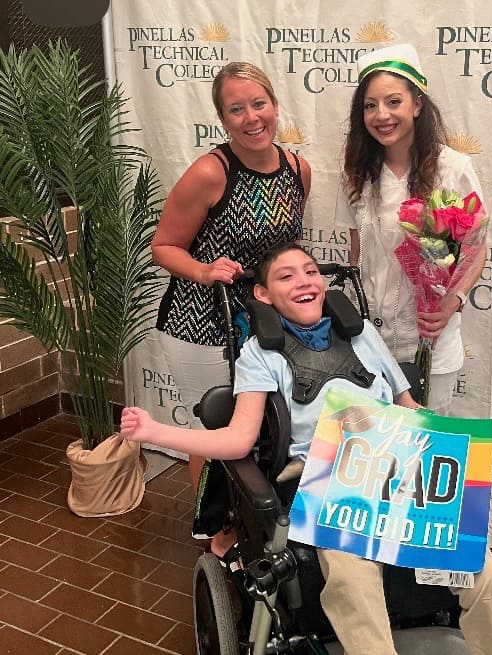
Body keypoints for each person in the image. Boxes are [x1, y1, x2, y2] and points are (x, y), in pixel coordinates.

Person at [122, 243, 492, 655]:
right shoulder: (260, 355)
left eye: (311, 271)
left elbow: (411, 410)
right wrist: (156, 431)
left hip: (396, 471)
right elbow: (237, 439)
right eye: (286, 276)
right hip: (331, 481)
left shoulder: (364, 334)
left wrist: (472, 447)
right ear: (263, 294)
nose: (304, 281)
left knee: (480, 569)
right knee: (352, 578)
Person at [151, 61, 311, 556]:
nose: (251, 117)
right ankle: (214, 531)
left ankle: (251, 521)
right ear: (223, 120)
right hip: (202, 321)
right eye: (236, 109)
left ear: (275, 107)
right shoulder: (209, 172)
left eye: (258, 104)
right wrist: (204, 270)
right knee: (217, 430)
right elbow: (164, 245)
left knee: (263, 431)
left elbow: (288, 245)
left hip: (266, 326)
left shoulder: (297, 169)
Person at [335, 43, 486, 416]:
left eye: (393, 102)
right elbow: (356, 255)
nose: (381, 115)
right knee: (374, 450)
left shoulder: (452, 168)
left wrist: (453, 302)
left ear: (417, 105)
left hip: (429, 339)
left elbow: (477, 248)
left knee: (424, 451)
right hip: (368, 340)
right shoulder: (357, 174)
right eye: (370, 106)